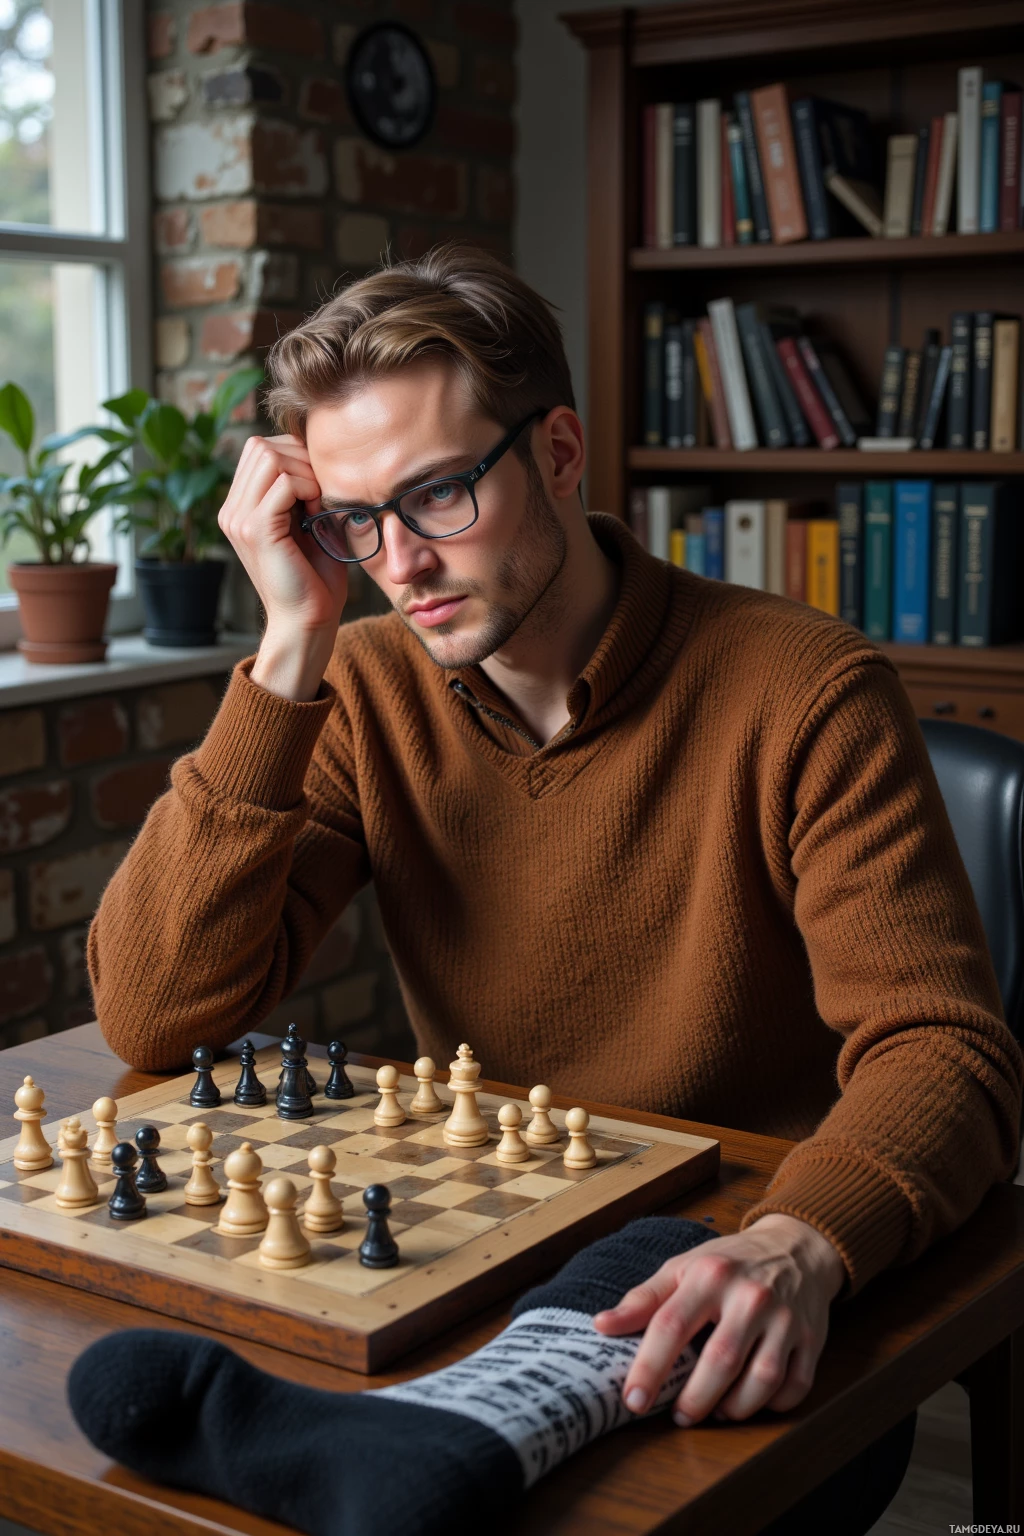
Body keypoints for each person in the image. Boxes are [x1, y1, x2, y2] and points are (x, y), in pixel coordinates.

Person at [88, 244, 1022, 1532]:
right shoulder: (358, 685)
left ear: (561, 453)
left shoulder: (806, 691)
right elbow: (152, 1014)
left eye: (439, 496)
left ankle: (432, 1446)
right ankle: (433, 1440)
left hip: (748, 1275)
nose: (399, 563)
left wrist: (801, 1244)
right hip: (475, 1263)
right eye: (356, 520)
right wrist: (290, 646)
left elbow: (945, 1051)